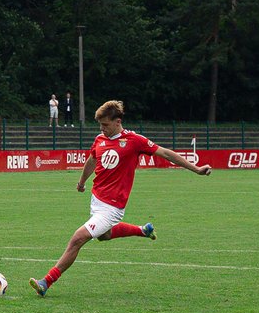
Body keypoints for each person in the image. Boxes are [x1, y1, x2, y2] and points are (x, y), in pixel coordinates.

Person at [28, 100, 209, 298]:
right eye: (100, 125)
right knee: (104, 236)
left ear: (117, 122)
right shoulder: (99, 140)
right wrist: (81, 182)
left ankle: (46, 281)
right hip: (96, 200)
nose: (102, 129)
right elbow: (92, 159)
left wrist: (196, 169)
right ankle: (143, 230)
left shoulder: (134, 140)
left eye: (105, 125)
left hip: (112, 208)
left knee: (78, 238)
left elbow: (166, 153)